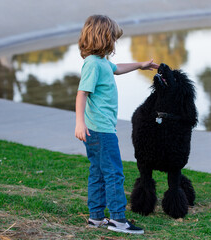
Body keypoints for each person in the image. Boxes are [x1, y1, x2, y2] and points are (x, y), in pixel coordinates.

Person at [75, 15, 158, 234]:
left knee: (99, 172)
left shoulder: (100, 62)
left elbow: (117, 68)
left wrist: (140, 64)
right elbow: (82, 93)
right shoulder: (92, 64)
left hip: (98, 130)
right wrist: (79, 123)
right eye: (113, 37)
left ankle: (96, 217)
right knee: (113, 173)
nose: (114, 42)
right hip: (100, 130)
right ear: (103, 38)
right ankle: (118, 220)